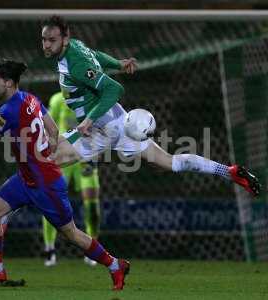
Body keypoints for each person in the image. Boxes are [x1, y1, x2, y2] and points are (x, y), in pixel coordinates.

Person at [40, 15, 261, 196]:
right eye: (44, 39)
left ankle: (8, 219)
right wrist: (118, 63)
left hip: (102, 128)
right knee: (170, 162)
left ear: (65, 38)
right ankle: (229, 171)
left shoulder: (74, 61)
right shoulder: (76, 47)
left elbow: (114, 89)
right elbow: (96, 56)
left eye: (52, 39)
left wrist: (89, 119)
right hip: (119, 120)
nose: (46, 44)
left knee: (45, 164)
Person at [0, 58, 129, 291]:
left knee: (71, 233)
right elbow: (52, 129)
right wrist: (46, 150)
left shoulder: (7, 110)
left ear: (9, 83)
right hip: (26, 178)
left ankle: (115, 265)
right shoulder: (30, 98)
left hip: (45, 184)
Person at [42, 92, 100, 267]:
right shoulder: (57, 99)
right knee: (51, 203)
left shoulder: (92, 99)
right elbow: (49, 129)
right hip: (64, 156)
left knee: (91, 205)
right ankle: (49, 248)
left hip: (85, 157)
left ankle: (93, 249)